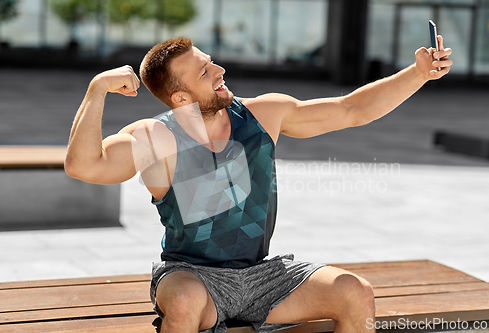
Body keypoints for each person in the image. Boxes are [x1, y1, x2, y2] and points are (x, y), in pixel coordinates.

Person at [64, 35, 453, 333]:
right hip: (193, 276)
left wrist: (419, 73)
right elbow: (83, 165)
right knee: (182, 300)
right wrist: (97, 88)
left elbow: (351, 109)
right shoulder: (155, 138)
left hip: (261, 275)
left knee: (354, 291)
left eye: (211, 62)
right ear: (180, 96)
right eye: (204, 72)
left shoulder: (263, 114)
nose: (219, 71)